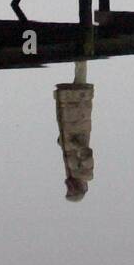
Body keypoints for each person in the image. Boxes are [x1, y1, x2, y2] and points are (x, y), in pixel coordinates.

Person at [54, 61, 94, 201]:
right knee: (79, 84)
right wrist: (71, 144)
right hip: (78, 118)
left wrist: (62, 143)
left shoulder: (71, 172)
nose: (68, 188)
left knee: (77, 84)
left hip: (70, 120)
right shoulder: (85, 173)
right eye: (71, 191)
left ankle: (80, 59)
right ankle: (81, 59)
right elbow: (86, 153)